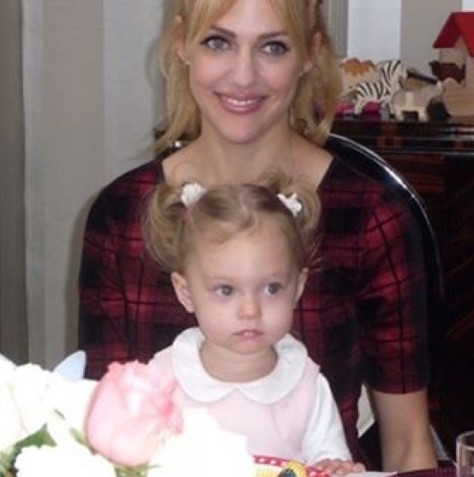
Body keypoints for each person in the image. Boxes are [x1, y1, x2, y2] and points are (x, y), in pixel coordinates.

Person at [78, 0, 437, 470]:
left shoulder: (372, 218)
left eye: (273, 47)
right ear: (183, 44)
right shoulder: (120, 215)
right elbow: (100, 437)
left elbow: (408, 443)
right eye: (218, 42)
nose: (243, 76)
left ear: (310, 54)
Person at [144, 177, 363, 474]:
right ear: (186, 293)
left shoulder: (306, 386)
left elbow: (330, 463)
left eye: (272, 288)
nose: (250, 310)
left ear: (298, 287)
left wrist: (336, 469)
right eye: (226, 290)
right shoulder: (160, 380)